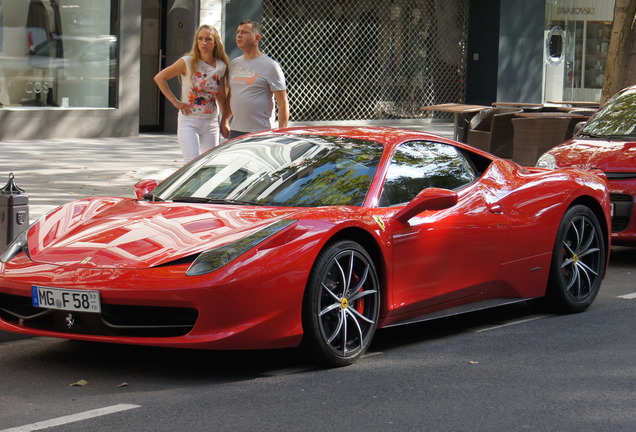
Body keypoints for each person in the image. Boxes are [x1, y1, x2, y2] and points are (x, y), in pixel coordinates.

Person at [154, 24, 229, 163]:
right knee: (191, 164)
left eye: (208, 39)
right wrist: (175, 101)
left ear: (215, 42)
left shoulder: (221, 66)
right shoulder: (187, 62)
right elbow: (159, 78)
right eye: (200, 39)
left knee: (209, 165)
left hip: (210, 121)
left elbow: (221, 96)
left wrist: (224, 122)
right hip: (189, 121)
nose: (204, 42)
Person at [220, 20, 289, 139]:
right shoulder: (235, 63)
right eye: (238, 32)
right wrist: (225, 120)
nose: (239, 35)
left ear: (257, 38)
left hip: (261, 131)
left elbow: (282, 103)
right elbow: (233, 94)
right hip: (236, 130)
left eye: (245, 32)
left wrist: (282, 132)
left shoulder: (271, 66)